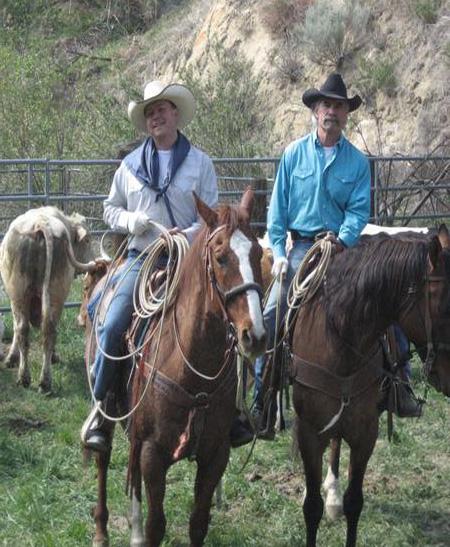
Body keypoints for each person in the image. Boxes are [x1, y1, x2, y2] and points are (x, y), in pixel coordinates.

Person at [252, 73, 421, 432]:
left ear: (346, 114)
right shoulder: (293, 155)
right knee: (273, 310)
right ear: (315, 111)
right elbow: (277, 211)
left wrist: (342, 240)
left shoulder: (357, 163)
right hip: (300, 249)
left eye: (339, 106)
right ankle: (262, 395)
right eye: (326, 104)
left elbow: (359, 211)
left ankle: (398, 384)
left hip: (344, 249)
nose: (332, 111)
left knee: (386, 301)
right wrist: (279, 252)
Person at [80, 80, 221, 452]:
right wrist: (133, 222)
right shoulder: (129, 167)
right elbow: (110, 208)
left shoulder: (200, 163)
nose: (156, 116)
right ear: (146, 123)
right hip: (142, 256)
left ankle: (229, 411)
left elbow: (211, 215)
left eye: (162, 109)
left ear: (176, 114)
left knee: (224, 321)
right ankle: (101, 406)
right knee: (112, 323)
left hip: (188, 259)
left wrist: (187, 233)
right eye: (150, 112)